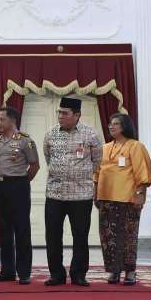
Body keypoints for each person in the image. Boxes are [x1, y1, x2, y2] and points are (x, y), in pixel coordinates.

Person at [43, 97, 102, 286]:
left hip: (81, 195)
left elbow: (97, 161)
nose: (60, 116)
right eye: (59, 112)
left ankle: (78, 274)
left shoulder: (90, 134)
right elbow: (48, 158)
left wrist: (82, 177)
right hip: (55, 194)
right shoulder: (51, 134)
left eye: (65, 113)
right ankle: (56, 274)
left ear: (77, 115)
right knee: (52, 236)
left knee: (80, 235)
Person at [94, 113, 151, 285]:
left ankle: (129, 271)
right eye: (110, 124)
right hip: (106, 198)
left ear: (125, 126)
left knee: (128, 235)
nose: (111, 127)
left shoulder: (135, 146)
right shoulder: (104, 148)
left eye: (116, 124)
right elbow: (96, 173)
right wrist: (95, 193)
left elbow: (143, 173)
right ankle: (113, 271)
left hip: (128, 199)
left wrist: (140, 195)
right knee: (108, 237)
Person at [0, 106, 39, 285]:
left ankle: (24, 272)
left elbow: (34, 166)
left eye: (2, 119)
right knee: (4, 230)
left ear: (12, 121)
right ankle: (7, 271)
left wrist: (23, 183)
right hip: (0, 187)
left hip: (18, 186)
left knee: (22, 229)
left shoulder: (25, 141)